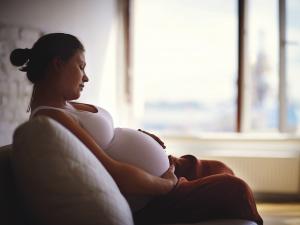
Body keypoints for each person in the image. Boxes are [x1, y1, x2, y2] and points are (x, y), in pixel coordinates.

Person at [10, 33, 263, 225]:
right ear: (57, 64)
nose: (86, 77)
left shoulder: (65, 106)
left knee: (222, 169)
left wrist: (142, 140)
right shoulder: (50, 120)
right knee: (237, 190)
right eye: (80, 66)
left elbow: (108, 139)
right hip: (151, 196)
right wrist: (166, 185)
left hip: (164, 168)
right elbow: (114, 171)